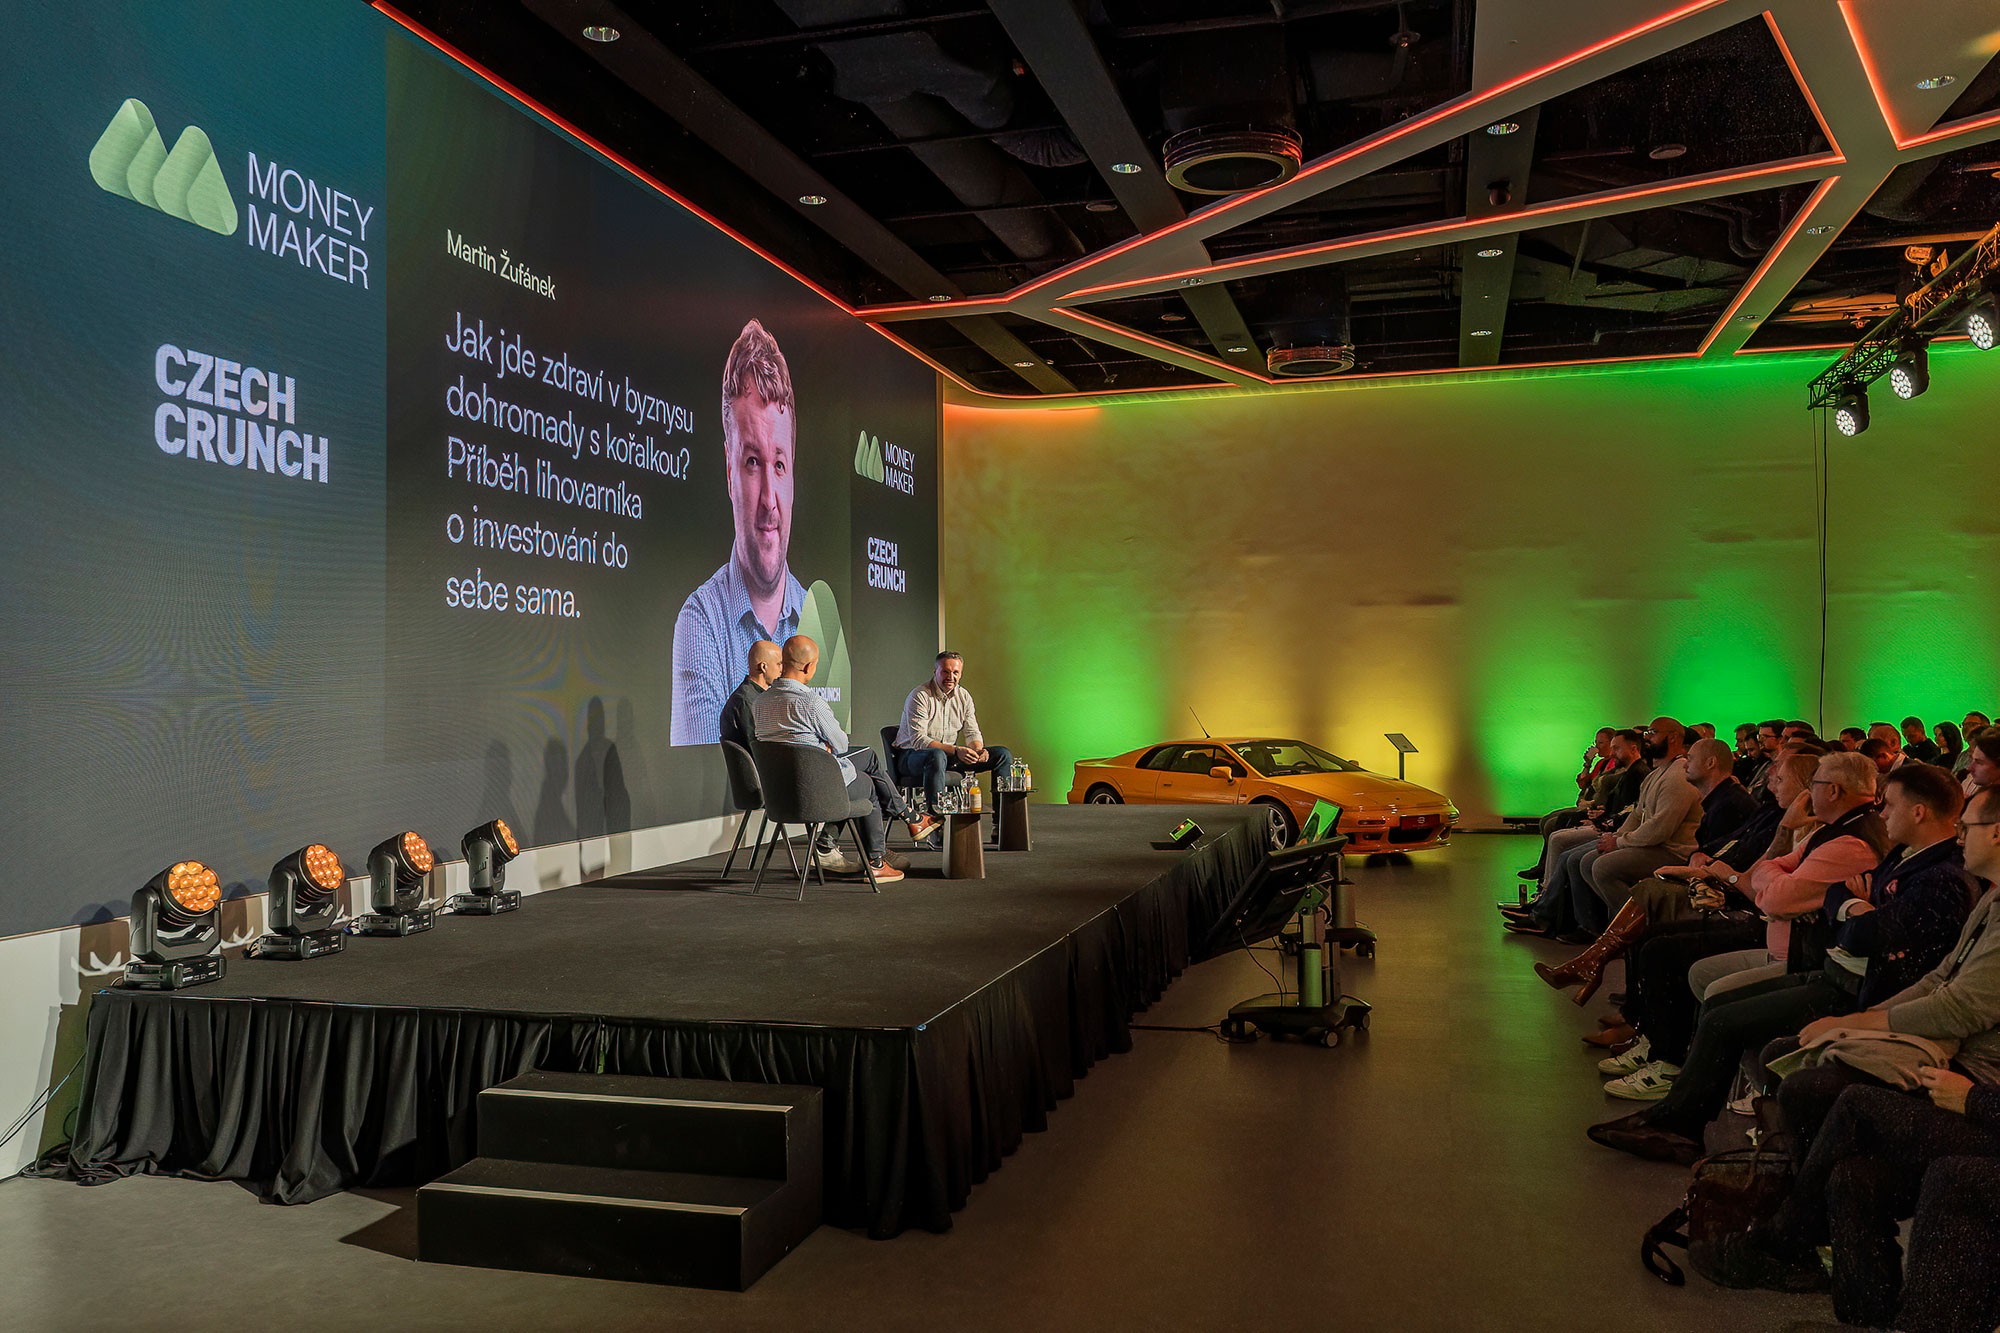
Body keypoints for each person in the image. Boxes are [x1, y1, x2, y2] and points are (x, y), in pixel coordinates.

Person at [1701, 784, 2000, 1326]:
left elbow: (1960, 1006)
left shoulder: (1953, 882)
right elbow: (1937, 979)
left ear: (1997, 833)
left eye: (1969, 828)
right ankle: (1867, 1307)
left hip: (1976, 1091)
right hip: (1954, 1069)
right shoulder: (1994, 899)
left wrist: (1859, 1023)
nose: (1960, 837)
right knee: (1851, 1175)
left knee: (1836, 1095)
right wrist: (1855, 1024)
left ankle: (1785, 1236)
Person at [1590, 757, 1968, 1157]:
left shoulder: (1928, 872)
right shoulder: (1903, 855)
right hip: (1829, 967)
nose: (1883, 810)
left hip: (1854, 986)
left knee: (1718, 1011)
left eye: (1890, 804)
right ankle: (1673, 1112)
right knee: (1714, 997)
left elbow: (1861, 933)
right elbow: (1775, 877)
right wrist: (1848, 902)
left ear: (1919, 812)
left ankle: (1678, 1123)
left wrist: (1847, 908)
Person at [1532, 738, 1759, 1002]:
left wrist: (1619, 841)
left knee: (1606, 868)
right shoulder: (1706, 792)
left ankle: (1609, 943)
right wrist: (1618, 836)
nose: (1687, 761)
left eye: (1692, 757)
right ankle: (1599, 941)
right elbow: (1640, 814)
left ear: (1710, 762)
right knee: (1581, 855)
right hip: (1690, 863)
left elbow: (1704, 845)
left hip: (1686, 862)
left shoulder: (1723, 798)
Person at [672, 320, 807, 746]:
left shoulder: (816, 616)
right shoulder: (700, 623)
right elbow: (716, 767)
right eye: (752, 462)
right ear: (729, 470)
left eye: (779, 465)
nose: (770, 500)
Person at [752, 636, 939, 881]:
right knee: (867, 783)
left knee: (866, 760)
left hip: (781, 793)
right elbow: (840, 745)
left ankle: (832, 845)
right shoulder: (811, 703)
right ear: (809, 667)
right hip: (818, 788)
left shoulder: (760, 701)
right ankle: (877, 859)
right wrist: (822, 747)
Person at [893, 651, 1012, 815]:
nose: (951, 676)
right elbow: (919, 740)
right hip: (913, 757)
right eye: (945, 672)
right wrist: (956, 750)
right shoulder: (920, 695)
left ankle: (1001, 824)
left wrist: (978, 751)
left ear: (961, 674)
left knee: (1002, 754)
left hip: (948, 756)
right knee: (936, 755)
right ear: (935, 672)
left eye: (955, 672)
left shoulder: (964, 696)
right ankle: (937, 826)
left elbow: (972, 732)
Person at [719, 640, 781, 753]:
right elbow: (758, 746)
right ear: (763, 667)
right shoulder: (746, 701)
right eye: (779, 664)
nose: (782, 669)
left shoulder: (755, 697)